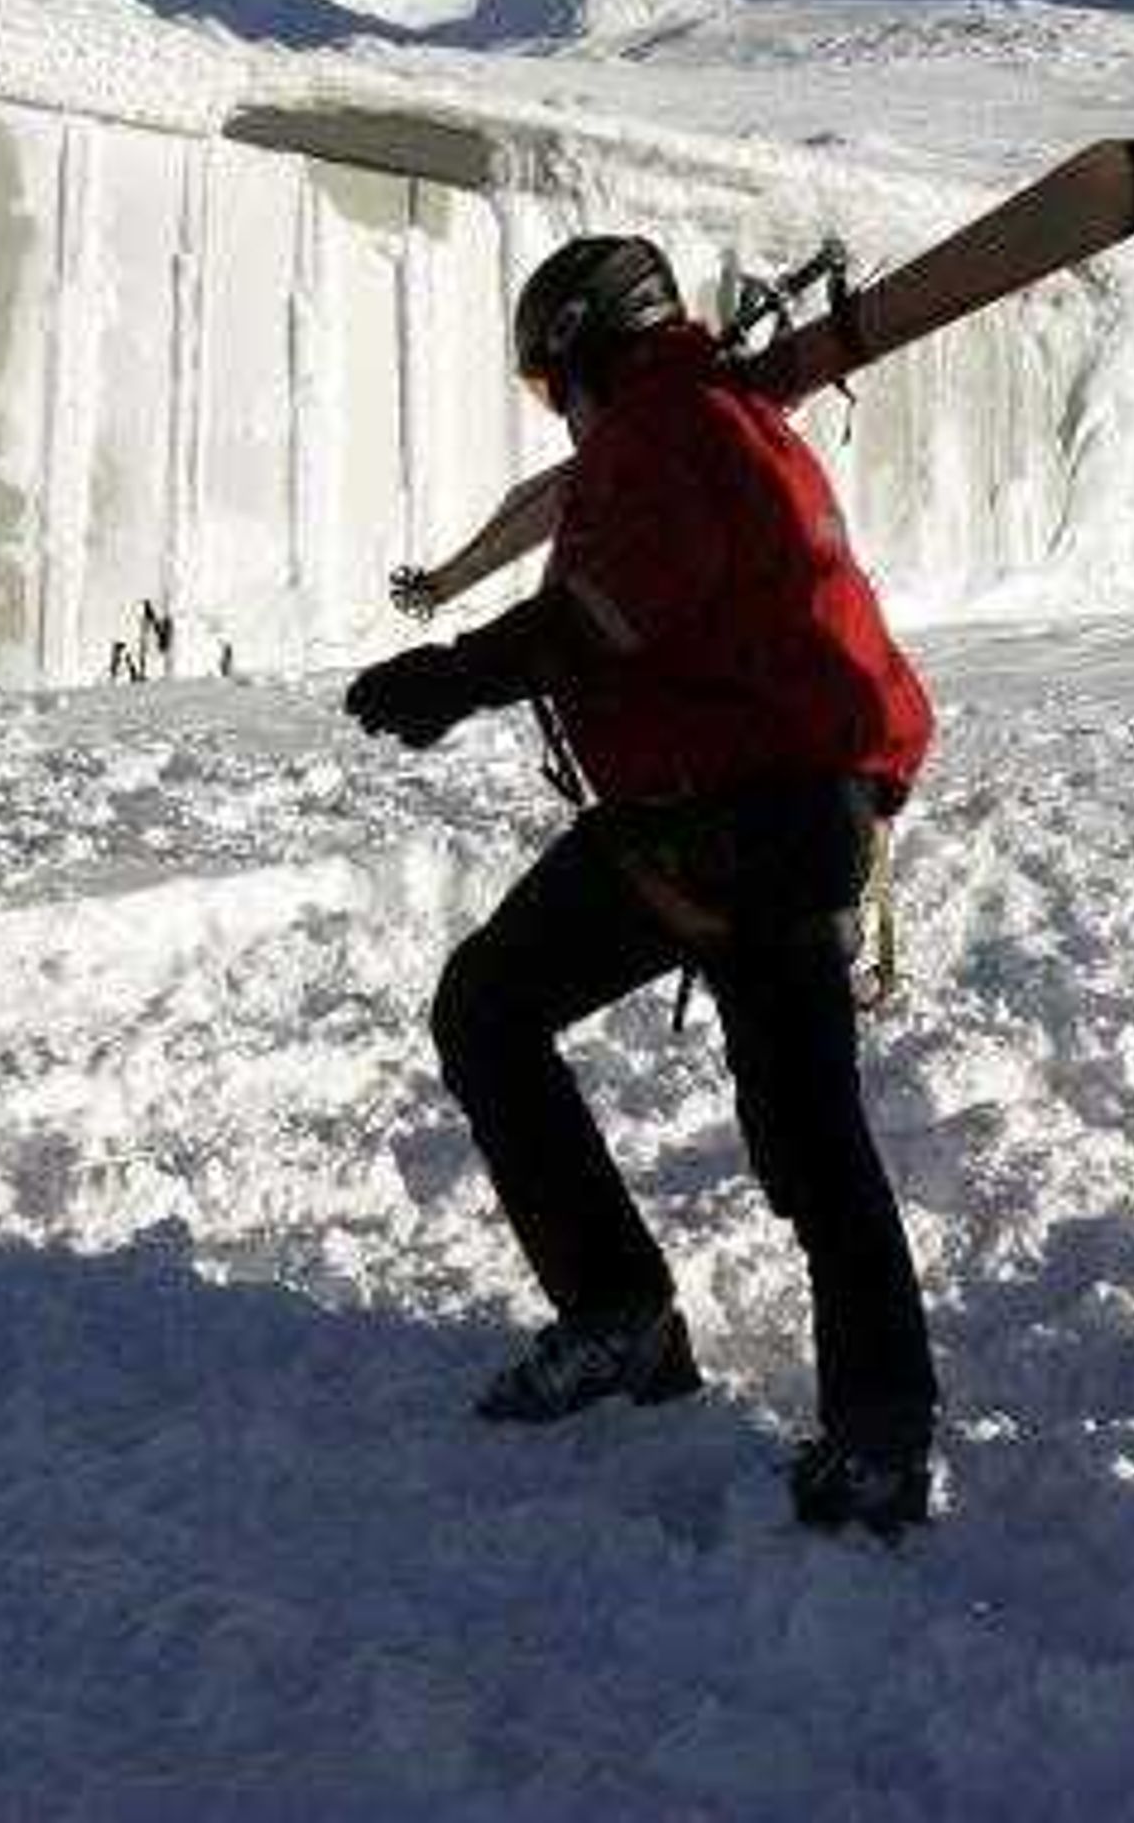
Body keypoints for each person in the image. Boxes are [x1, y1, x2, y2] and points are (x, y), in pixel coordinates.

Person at [343, 234, 942, 1535]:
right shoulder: (706, 421)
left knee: (786, 1128)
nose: (553, 404)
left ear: (578, 350)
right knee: (515, 1017)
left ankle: (845, 1416)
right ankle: (675, 1339)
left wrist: (457, 674)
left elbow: (611, 611)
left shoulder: (675, 432)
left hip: (757, 814)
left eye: (547, 380)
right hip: (717, 810)